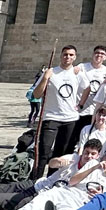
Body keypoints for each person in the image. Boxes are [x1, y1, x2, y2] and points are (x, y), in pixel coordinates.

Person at [31, 45, 82, 177]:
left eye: (71, 55)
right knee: (44, 150)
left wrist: (80, 105)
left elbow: (88, 88)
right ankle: (35, 179)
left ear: (75, 57)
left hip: (70, 119)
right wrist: (45, 78)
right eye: (65, 54)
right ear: (61, 56)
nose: (68, 57)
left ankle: (52, 178)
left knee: (61, 152)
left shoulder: (78, 73)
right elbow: (36, 95)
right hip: (51, 117)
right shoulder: (51, 72)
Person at [72, 45, 106, 144]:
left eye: (102, 54)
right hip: (80, 109)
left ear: (105, 57)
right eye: (97, 53)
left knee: (88, 138)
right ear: (93, 54)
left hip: (95, 111)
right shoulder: (82, 67)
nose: (99, 55)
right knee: (73, 137)